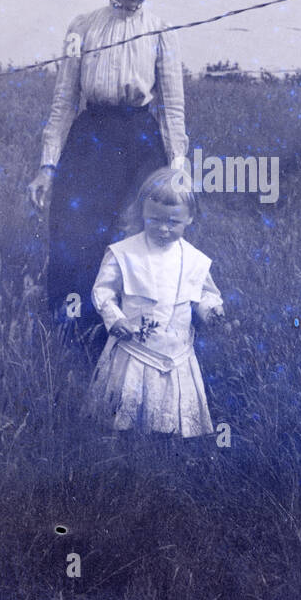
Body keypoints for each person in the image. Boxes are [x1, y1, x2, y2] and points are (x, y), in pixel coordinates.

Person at [27, 0, 189, 338]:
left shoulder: (161, 32)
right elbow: (63, 102)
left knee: (140, 237)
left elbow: (172, 107)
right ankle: (72, 331)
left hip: (139, 139)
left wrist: (178, 167)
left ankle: (134, 331)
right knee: (74, 230)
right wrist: (47, 166)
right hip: (91, 136)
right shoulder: (82, 28)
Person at [84, 167, 228, 438]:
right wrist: (115, 318)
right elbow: (103, 291)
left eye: (173, 222)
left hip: (176, 349)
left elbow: (206, 293)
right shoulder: (124, 253)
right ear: (143, 213)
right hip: (134, 348)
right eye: (155, 220)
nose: (163, 228)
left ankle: (169, 442)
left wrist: (211, 311)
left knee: (170, 417)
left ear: (190, 218)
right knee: (125, 415)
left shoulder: (195, 260)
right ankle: (124, 439)